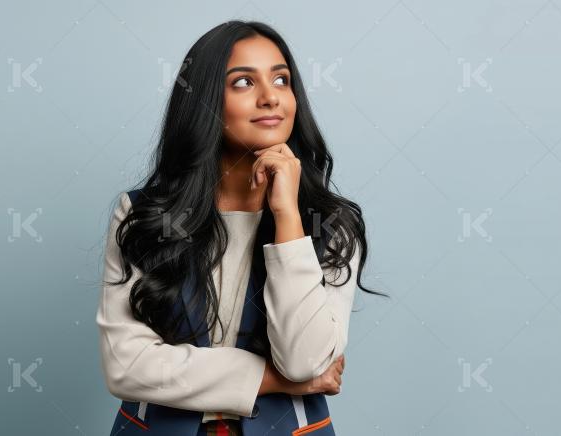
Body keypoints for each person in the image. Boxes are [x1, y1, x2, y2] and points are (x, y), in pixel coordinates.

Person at [96, 20, 386, 435]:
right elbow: (126, 367)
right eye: (243, 82)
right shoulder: (143, 214)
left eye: (281, 80)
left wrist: (288, 217)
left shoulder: (332, 225)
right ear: (205, 101)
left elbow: (305, 361)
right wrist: (274, 381)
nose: (270, 98)